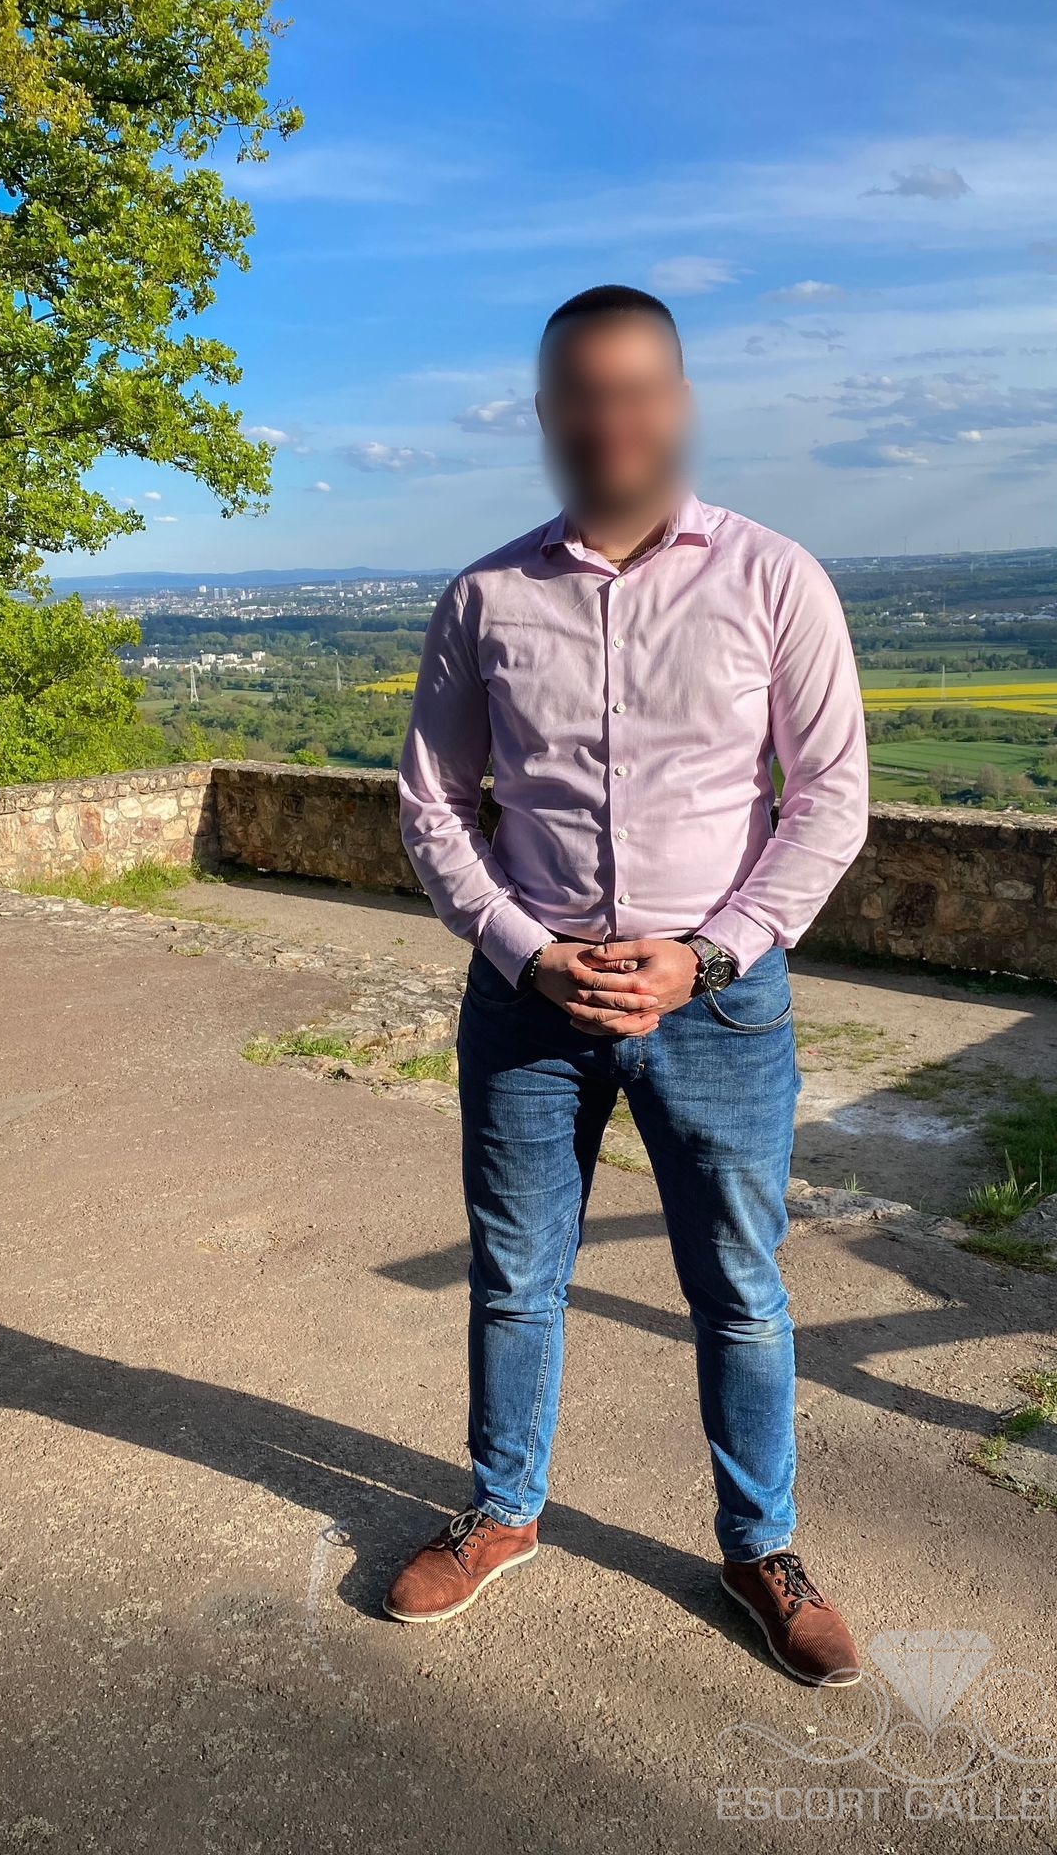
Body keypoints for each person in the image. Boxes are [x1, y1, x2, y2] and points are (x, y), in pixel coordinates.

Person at [388, 285, 870, 1688]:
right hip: (528, 1000)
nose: (615, 419)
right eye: (585, 395)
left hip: (718, 1002)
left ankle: (761, 1548)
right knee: (514, 1276)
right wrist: (526, 951)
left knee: (740, 1289)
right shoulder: (485, 597)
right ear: (548, 415)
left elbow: (827, 799)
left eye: (639, 390)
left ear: (679, 403)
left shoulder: (773, 577)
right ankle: (501, 1512)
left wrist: (706, 952)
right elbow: (433, 808)